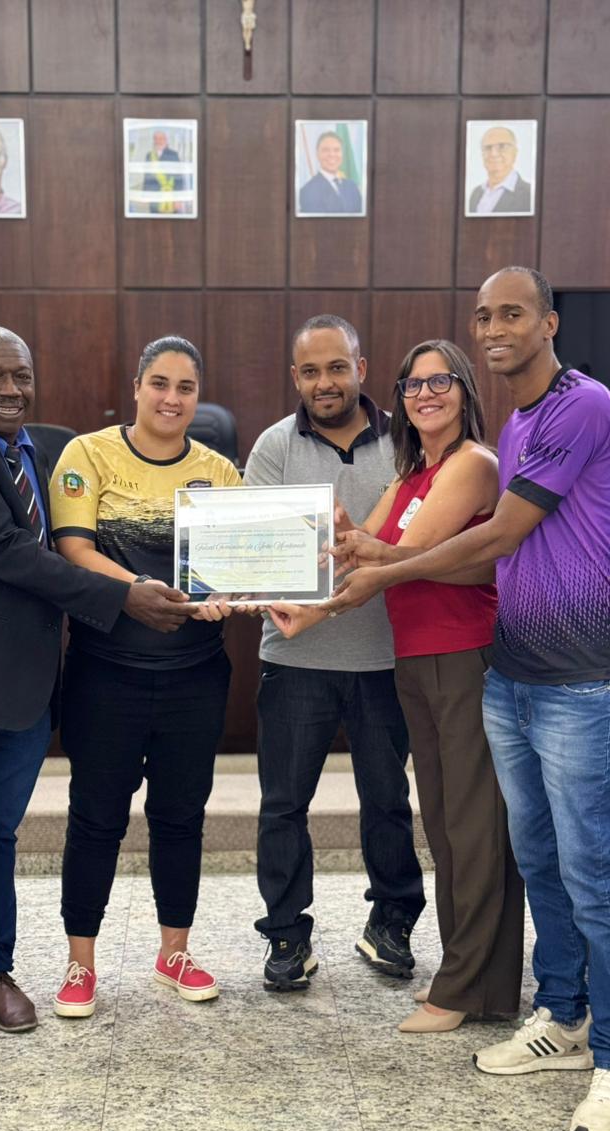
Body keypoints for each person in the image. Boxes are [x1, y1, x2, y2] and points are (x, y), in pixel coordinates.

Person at [325, 267, 610, 1131]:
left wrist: (381, 569)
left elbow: (495, 538)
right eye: (483, 315)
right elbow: (446, 551)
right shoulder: (521, 422)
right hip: (512, 676)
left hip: (580, 678)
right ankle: (563, 1017)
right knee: (544, 860)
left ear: (550, 323)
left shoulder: (581, 405)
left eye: (512, 313)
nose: (495, 327)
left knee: (593, 873)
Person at [0, 327, 197, 1074]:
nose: (9, 390)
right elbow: (7, 554)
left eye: (21, 377)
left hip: (22, 689)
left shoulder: (33, 448)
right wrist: (125, 596)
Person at [269, 340, 525, 1031]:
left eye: (440, 381)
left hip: (464, 655)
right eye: (412, 385)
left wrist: (366, 554)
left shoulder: (473, 464)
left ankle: (466, 988)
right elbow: (366, 562)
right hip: (416, 661)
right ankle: (477, 980)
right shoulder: (412, 472)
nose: (425, 394)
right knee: (445, 826)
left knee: (473, 829)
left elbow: (410, 560)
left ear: (465, 391)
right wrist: (312, 604)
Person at [49, 336, 241, 1016]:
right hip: (106, 674)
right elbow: (72, 548)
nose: (171, 398)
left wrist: (226, 594)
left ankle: (174, 953)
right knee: (95, 820)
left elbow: (234, 568)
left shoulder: (220, 470)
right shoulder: (87, 455)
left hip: (195, 676)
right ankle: (79, 964)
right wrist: (139, 587)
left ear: (198, 397)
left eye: (185, 387)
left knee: (181, 818)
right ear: (136, 387)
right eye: (159, 383)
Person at [243, 315, 425, 992]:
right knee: (283, 804)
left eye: (337, 367)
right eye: (311, 371)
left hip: (384, 656)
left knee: (387, 800)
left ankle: (393, 922)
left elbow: (419, 539)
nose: (325, 382)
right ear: (296, 377)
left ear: (362, 368)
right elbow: (258, 549)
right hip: (295, 661)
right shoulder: (272, 446)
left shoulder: (407, 444)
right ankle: (286, 934)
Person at [468, 126, 531, 215]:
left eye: (502, 146)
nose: (493, 154)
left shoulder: (529, 195)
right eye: (488, 148)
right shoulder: (476, 194)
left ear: (515, 152)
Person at [298, 132, 362, 215]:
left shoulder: (352, 187)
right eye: (326, 150)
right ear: (317, 154)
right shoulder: (308, 191)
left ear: (342, 154)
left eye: (337, 150)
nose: (332, 155)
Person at [142, 129, 185, 214]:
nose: (158, 141)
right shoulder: (149, 155)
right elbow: (147, 176)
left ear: (166, 140)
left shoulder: (173, 154)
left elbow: (179, 178)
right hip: (154, 196)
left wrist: (178, 199)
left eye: (161, 138)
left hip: (171, 196)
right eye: (156, 138)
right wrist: (145, 195)